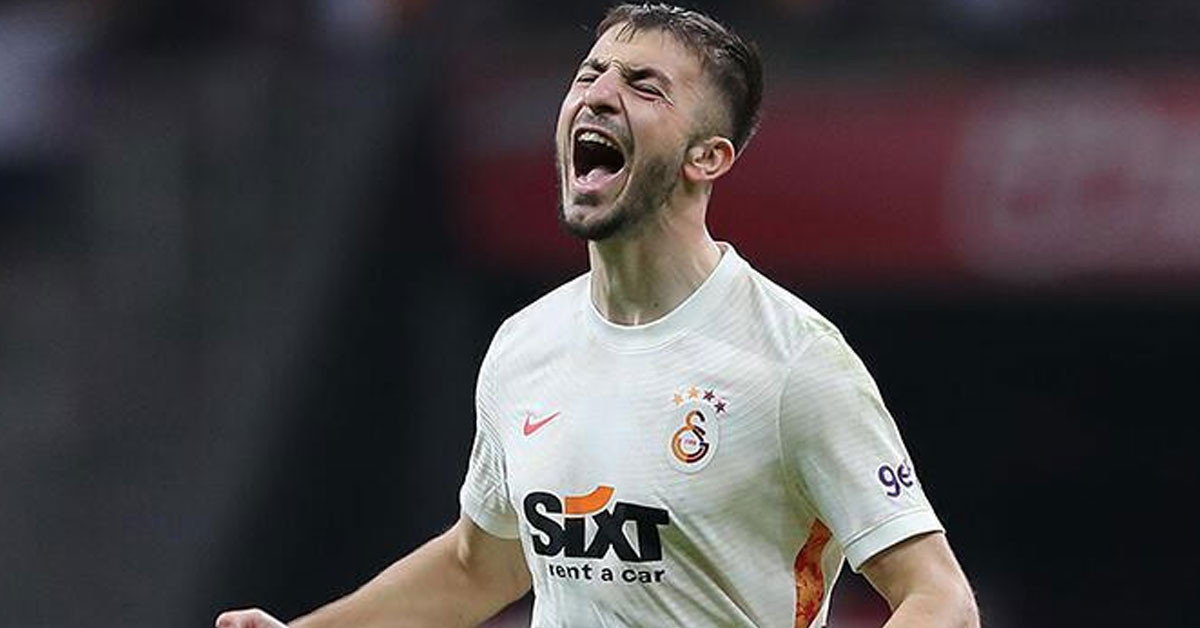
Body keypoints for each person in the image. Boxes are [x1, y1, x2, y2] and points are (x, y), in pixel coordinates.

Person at [216, 4, 979, 627]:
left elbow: (941, 598)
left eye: (645, 87)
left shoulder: (792, 361)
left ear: (707, 157)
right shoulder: (526, 345)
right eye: (589, 74)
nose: (599, 94)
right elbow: (478, 566)